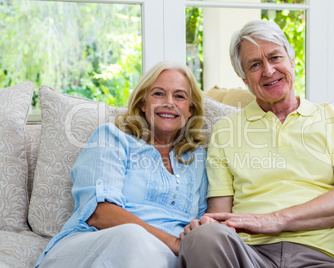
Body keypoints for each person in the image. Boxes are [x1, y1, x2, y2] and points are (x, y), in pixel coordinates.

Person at [178, 20, 334, 268]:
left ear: (291, 60)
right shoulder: (225, 130)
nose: (268, 71)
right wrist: (203, 228)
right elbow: (220, 214)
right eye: (255, 65)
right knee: (203, 237)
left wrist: (276, 220)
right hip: (249, 255)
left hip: (318, 256)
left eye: (275, 57)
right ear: (244, 79)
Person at [36, 61, 208, 268]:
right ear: (142, 104)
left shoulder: (197, 158)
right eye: (158, 94)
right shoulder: (112, 138)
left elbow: (203, 222)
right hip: (98, 246)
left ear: (190, 110)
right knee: (132, 236)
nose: (169, 102)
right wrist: (174, 242)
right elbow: (100, 213)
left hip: (167, 258)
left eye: (179, 96)